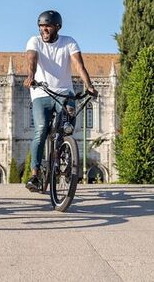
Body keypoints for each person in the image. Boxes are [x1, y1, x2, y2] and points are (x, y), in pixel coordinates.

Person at [23, 10, 98, 192]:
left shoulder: (68, 42)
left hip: (65, 92)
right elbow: (32, 59)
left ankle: (61, 153)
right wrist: (31, 76)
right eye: (41, 26)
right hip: (41, 92)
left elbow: (79, 65)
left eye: (47, 26)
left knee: (67, 128)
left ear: (57, 27)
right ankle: (35, 174)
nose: (44, 30)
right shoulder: (35, 41)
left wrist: (89, 85)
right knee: (41, 130)